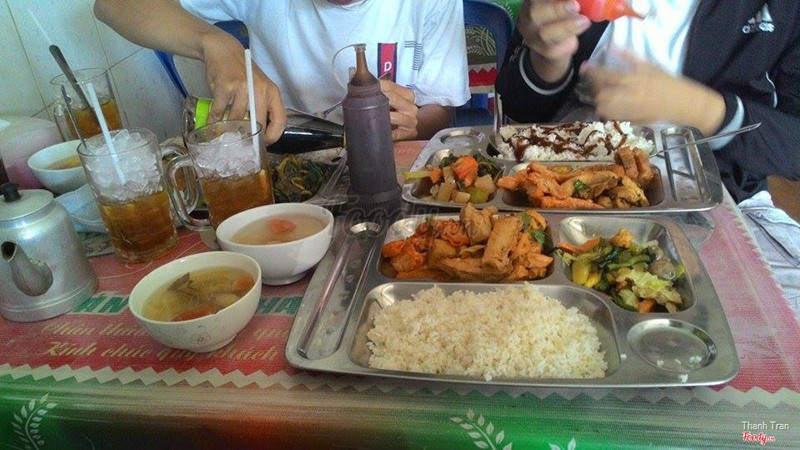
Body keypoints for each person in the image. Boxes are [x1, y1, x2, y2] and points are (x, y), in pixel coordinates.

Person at [496, 0, 799, 310]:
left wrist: (705, 111)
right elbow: (519, 104)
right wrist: (547, 61)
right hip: (555, 188)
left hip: (726, 197)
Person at [95, 0, 471, 143]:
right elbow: (113, 5)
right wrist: (216, 43)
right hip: (288, 161)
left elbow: (440, 112)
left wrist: (413, 124)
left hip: (390, 168)